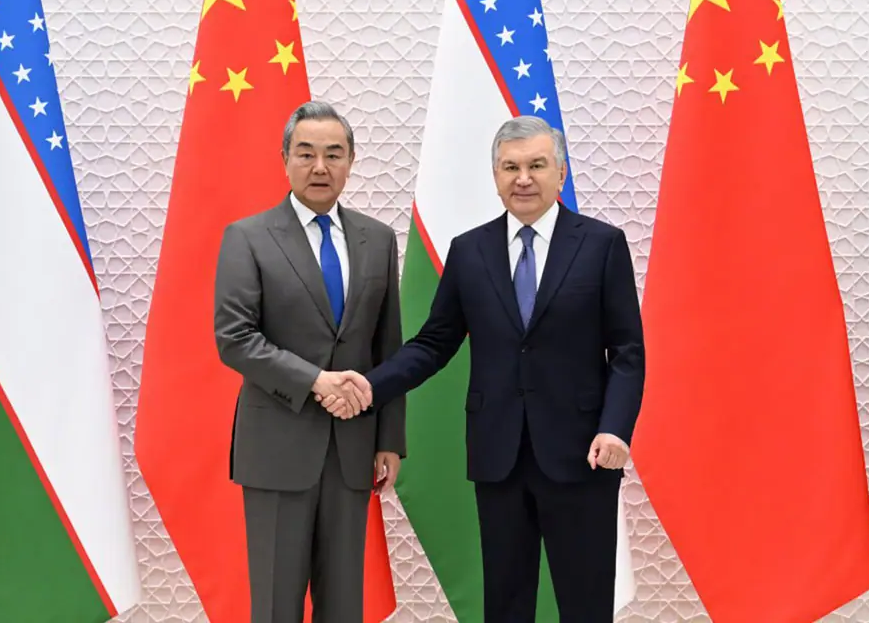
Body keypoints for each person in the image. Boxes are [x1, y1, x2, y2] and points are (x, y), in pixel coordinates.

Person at [334, 115, 645, 622]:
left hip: (583, 454)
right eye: (511, 167)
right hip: (499, 455)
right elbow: (434, 344)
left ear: (560, 173)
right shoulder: (469, 250)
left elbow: (628, 352)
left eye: (537, 165)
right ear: (496, 175)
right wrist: (369, 385)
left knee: (585, 603)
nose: (523, 178)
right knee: (506, 601)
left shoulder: (601, 245)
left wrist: (615, 429)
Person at [212, 100, 404, 623]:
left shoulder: (378, 239)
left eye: (333, 154)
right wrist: (316, 381)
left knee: (344, 604)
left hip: (353, 451)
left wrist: (389, 437)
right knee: (276, 604)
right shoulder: (247, 237)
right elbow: (234, 338)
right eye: (307, 154)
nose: (320, 167)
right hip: (277, 447)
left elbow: (388, 346)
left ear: (351, 160)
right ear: (285, 159)